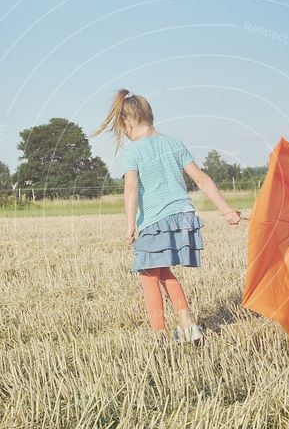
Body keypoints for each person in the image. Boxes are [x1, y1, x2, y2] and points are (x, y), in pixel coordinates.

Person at [94, 89, 241, 343]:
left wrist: (129, 224)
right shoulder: (174, 143)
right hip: (182, 216)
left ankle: (158, 333)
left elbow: (130, 189)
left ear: (127, 123)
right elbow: (202, 180)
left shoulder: (133, 151)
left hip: (156, 221)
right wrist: (226, 209)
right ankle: (187, 326)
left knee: (147, 274)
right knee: (162, 272)